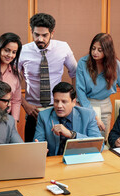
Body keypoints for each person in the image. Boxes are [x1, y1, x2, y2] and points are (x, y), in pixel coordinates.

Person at [19, 13, 77, 142]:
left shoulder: (63, 48)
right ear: (31, 32)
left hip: (57, 107)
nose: (40, 39)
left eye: (44, 35)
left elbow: (74, 72)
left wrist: (73, 99)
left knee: (58, 150)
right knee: (32, 150)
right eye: (36, 34)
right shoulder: (22, 51)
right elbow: (13, 82)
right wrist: (25, 104)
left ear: (52, 33)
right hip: (33, 110)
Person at [76, 33, 120, 142]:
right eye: (93, 48)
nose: (95, 53)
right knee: (85, 140)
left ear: (107, 51)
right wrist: (93, 115)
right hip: (86, 105)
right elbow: (80, 92)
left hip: (104, 106)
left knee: (102, 141)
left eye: (100, 50)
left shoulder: (115, 65)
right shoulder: (83, 63)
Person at [33, 82, 101, 156]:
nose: (59, 106)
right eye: (56, 101)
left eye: (64, 102)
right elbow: (38, 143)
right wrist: (39, 149)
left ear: (73, 102)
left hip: (79, 161)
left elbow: (99, 145)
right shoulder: (43, 116)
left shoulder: (87, 115)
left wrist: (71, 134)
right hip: (54, 162)